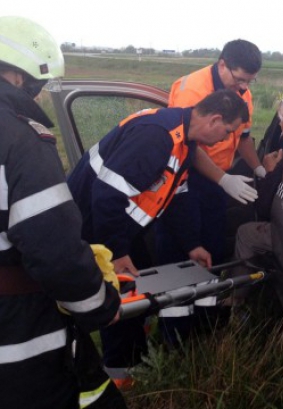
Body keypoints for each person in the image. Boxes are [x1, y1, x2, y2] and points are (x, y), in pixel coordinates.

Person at [66, 88, 249, 388]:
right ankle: (119, 375)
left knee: (138, 290)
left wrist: (192, 244)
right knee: (119, 295)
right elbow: (105, 196)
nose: (225, 139)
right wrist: (118, 251)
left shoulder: (184, 143)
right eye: (228, 131)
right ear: (215, 119)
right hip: (90, 227)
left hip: (119, 228)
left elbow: (176, 197)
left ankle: (135, 356)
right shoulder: (156, 137)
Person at [0, 16, 124, 408]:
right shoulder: (20, 138)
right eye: (37, 87)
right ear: (20, 78)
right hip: (18, 335)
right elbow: (52, 249)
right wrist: (100, 306)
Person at [154, 39, 280, 340]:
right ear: (222, 64)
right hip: (183, 180)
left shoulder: (242, 94)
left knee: (209, 251)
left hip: (215, 183)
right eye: (240, 79)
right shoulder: (193, 90)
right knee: (178, 255)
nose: (244, 88)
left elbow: (244, 139)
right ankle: (173, 335)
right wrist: (223, 179)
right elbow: (189, 145)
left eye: (249, 82)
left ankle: (204, 323)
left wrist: (258, 169)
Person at [231, 91, 283, 305]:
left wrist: (270, 172)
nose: (280, 130)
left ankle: (237, 301)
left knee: (247, 233)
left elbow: (264, 209)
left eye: (280, 121)